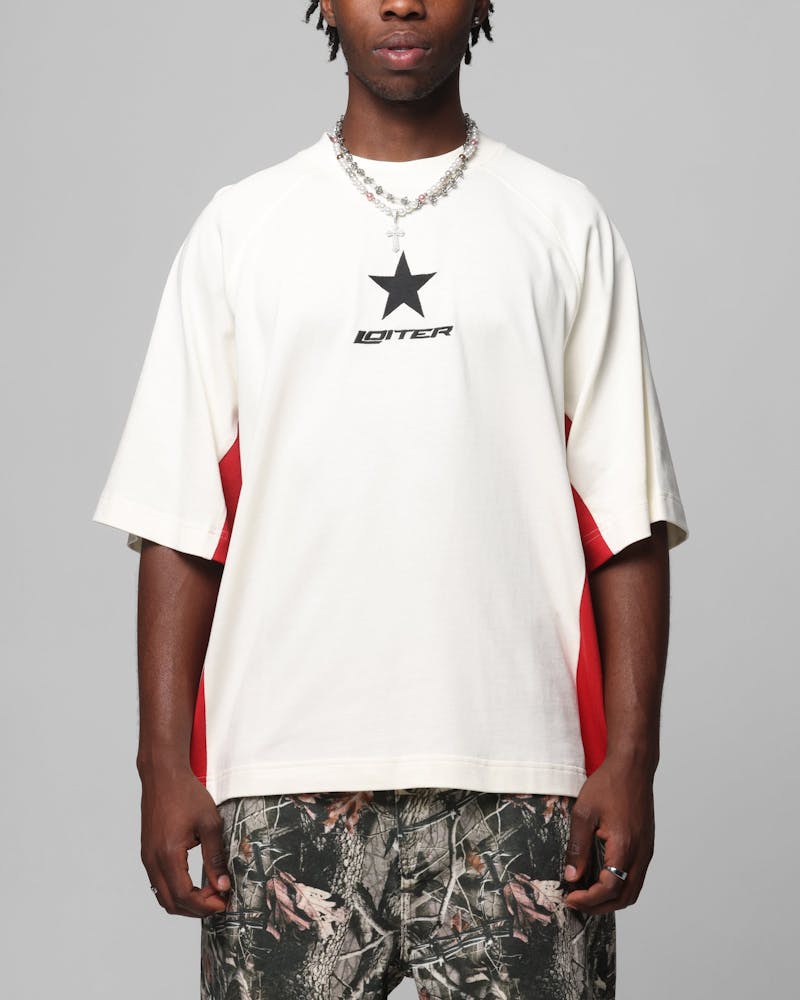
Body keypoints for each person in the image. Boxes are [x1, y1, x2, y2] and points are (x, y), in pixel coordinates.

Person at [91, 2, 689, 997]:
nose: (401, 2)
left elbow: (624, 517)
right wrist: (161, 765)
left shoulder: (561, 221)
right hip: (279, 780)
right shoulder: (242, 227)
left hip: (524, 780)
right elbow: (179, 519)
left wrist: (632, 758)